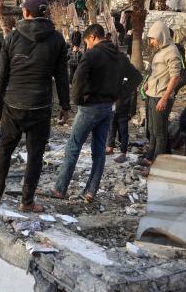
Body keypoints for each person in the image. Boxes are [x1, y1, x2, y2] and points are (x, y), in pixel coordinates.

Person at [0, 0, 70, 212]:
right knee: (35, 155)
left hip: (13, 105)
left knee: (5, 149)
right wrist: (65, 105)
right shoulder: (57, 40)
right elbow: (62, 76)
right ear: (45, 14)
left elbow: (1, 75)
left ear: (25, 13)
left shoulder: (12, 37)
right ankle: (26, 201)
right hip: (40, 107)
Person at [48, 24, 142, 203]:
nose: (87, 46)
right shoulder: (119, 56)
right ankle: (90, 191)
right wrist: (117, 95)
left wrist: (77, 101)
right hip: (107, 108)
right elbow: (136, 77)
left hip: (90, 107)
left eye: (86, 42)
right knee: (98, 151)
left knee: (73, 147)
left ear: (91, 37)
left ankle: (60, 188)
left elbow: (77, 80)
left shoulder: (92, 54)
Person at [138, 20, 182, 169]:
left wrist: (164, 98)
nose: (151, 42)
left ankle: (157, 162)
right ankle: (150, 155)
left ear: (161, 36)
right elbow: (157, 72)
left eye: (153, 38)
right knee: (151, 129)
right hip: (152, 94)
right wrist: (148, 82)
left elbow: (175, 76)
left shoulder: (172, 51)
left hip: (162, 96)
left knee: (160, 132)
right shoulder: (160, 50)